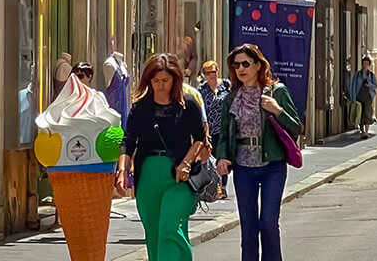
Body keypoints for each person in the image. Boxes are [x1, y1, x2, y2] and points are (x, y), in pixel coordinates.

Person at [215, 45, 303, 261]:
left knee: (268, 222)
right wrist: (222, 156)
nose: (241, 69)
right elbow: (225, 133)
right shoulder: (231, 98)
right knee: (249, 226)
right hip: (244, 167)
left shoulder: (277, 91)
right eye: (236, 65)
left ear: (257, 65)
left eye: (246, 63)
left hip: (272, 165)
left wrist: (277, 110)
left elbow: (296, 127)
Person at [117, 53, 208, 261]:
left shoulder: (189, 104)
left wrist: (186, 163)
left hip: (178, 176)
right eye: (155, 80)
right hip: (148, 174)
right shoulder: (141, 107)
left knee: (170, 227)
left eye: (165, 80)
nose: (160, 85)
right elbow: (128, 141)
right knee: (154, 233)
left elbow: (200, 138)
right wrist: (122, 171)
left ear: (175, 80)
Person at [199, 60, 232, 199]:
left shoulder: (226, 85)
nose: (211, 75)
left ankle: (223, 187)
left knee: (222, 158)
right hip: (209, 130)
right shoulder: (201, 89)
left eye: (213, 72)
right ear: (204, 75)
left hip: (224, 129)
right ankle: (213, 187)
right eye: (208, 73)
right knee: (211, 160)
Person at [349, 56, 377, 139]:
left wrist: (369, 85)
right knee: (360, 113)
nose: (365, 65)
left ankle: (366, 131)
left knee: (367, 113)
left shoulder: (371, 75)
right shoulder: (357, 74)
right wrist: (353, 98)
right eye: (364, 63)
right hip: (359, 95)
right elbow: (353, 86)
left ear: (369, 65)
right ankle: (362, 131)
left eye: (367, 64)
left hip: (368, 96)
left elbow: (375, 85)